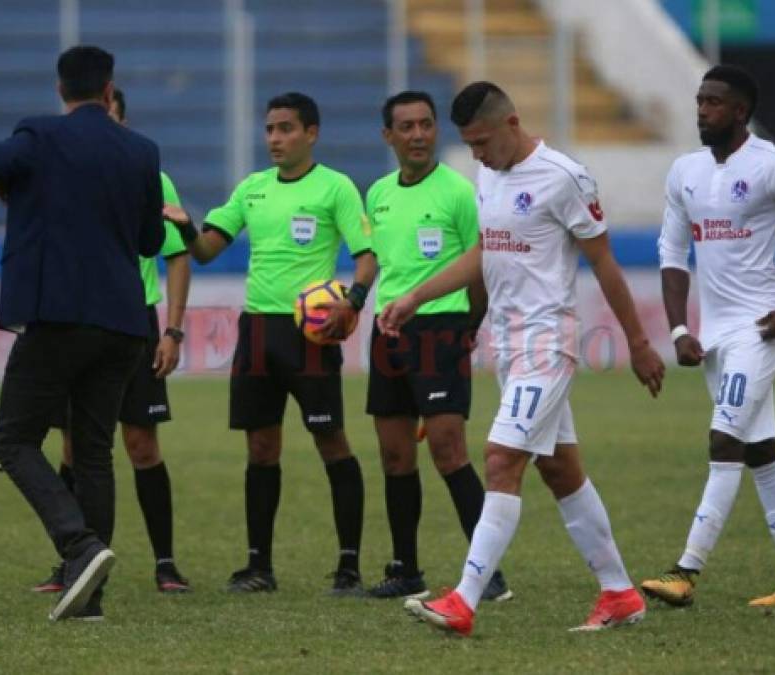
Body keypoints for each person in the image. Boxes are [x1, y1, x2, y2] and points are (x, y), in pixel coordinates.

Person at [381, 81, 665, 636]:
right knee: (561, 471)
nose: (478, 155)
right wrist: (419, 296)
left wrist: (636, 341)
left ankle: (463, 601)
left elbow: (604, 263)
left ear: (512, 123)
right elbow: (487, 253)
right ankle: (620, 593)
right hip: (507, 347)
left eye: (483, 142)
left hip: (546, 345)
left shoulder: (564, 177)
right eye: (471, 145)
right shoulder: (490, 173)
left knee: (499, 458)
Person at [642, 65, 775, 608]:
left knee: (723, 440)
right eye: (700, 100)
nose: (702, 110)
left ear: (739, 111)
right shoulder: (684, 170)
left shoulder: (774, 166)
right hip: (714, 334)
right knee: (759, 450)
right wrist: (681, 327)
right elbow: (670, 251)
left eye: (714, 102)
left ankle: (685, 572)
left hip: (761, 328)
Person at [0, 45, 165, 621]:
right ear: (110, 92)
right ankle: (89, 598)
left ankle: (78, 545)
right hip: (126, 322)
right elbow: (151, 242)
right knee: (96, 451)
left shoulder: (39, 134)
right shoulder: (141, 149)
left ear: (60, 90)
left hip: (59, 315)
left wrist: (19, 181)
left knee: (13, 439)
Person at [162, 92, 377, 595]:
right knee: (261, 448)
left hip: (311, 334)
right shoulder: (252, 189)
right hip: (258, 332)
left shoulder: (336, 188)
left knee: (332, 443)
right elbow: (207, 251)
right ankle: (259, 566)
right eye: (270, 129)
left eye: (286, 129)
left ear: (311, 133)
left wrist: (355, 300)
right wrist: (186, 226)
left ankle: (348, 567)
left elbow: (366, 257)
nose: (275, 138)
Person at [31, 88, 192, 600]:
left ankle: (166, 564)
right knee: (75, 446)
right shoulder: (63, 173)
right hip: (76, 318)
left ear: (120, 120)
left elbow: (177, 256)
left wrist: (172, 328)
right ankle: (71, 561)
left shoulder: (150, 174)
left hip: (133, 321)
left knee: (141, 445)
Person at [363, 90, 510, 602]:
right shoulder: (377, 194)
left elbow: (482, 267)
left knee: (449, 452)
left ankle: (488, 573)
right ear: (390, 136)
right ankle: (406, 570)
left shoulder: (459, 193)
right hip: (388, 334)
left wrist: (467, 330)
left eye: (426, 124)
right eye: (407, 127)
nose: (419, 134)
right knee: (395, 456)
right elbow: (387, 266)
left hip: (442, 331)